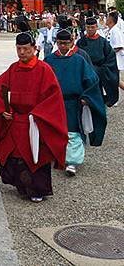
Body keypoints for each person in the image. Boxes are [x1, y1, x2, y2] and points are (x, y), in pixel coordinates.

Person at [0, 25, 68, 202]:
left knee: (34, 158)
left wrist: (38, 115)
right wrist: (3, 109)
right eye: (19, 49)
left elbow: (53, 98)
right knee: (15, 157)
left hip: (35, 122)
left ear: (34, 48)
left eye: (26, 49)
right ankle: (21, 187)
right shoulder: (12, 69)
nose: (22, 52)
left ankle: (37, 190)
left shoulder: (44, 70)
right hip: (15, 120)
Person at [45, 27, 107, 176]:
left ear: (72, 42)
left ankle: (72, 161)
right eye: (60, 43)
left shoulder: (79, 59)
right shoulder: (49, 60)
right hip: (55, 101)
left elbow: (92, 80)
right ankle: (58, 155)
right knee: (56, 130)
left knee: (73, 131)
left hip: (73, 102)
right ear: (56, 42)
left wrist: (87, 97)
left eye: (66, 43)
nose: (63, 46)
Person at [77, 17, 119, 107]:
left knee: (97, 98)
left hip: (98, 73)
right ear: (85, 27)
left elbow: (110, 59)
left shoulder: (103, 42)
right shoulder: (81, 41)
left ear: (96, 27)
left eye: (92, 27)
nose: (90, 29)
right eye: (88, 27)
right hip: (84, 72)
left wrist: (101, 70)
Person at [105, 11, 124, 93]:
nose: (105, 19)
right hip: (111, 60)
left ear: (110, 20)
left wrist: (108, 54)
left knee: (115, 80)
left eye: (107, 17)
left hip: (115, 60)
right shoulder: (110, 30)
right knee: (114, 80)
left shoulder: (115, 31)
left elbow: (119, 46)